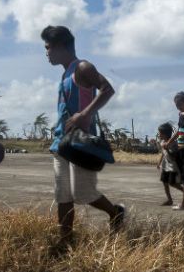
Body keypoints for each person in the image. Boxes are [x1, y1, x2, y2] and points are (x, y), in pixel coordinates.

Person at [42, 25, 125, 254]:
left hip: (80, 144)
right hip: (61, 143)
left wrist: (84, 114)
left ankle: (115, 212)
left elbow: (107, 89)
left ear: (60, 46)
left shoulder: (83, 67)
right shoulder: (65, 73)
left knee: (83, 194)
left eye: (48, 47)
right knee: (63, 195)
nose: (46, 52)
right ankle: (65, 241)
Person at [156, 122, 184, 206]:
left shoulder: (173, 143)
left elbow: (174, 156)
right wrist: (159, 162)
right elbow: (163, 153)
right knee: (164, 182)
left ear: (166, 134)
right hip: (165, 165)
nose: (159, 134)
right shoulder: (162, 142)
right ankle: (169, 200)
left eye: (160, 133)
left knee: (173, 183)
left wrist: (167, 148)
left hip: (173, 166)